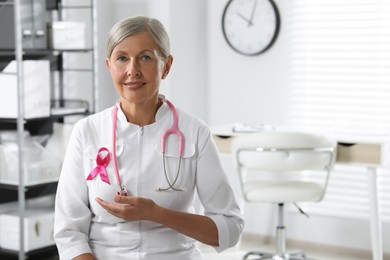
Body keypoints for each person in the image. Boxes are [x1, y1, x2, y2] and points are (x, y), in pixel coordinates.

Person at [53, 15, 244, 260]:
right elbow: (69, 233)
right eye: (122, 58)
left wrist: (156, 213)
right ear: (109, 65)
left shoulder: (195, 132)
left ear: (166, 65)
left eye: (145, 57)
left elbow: (229, 228)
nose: (132, 70)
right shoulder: (86, 131)